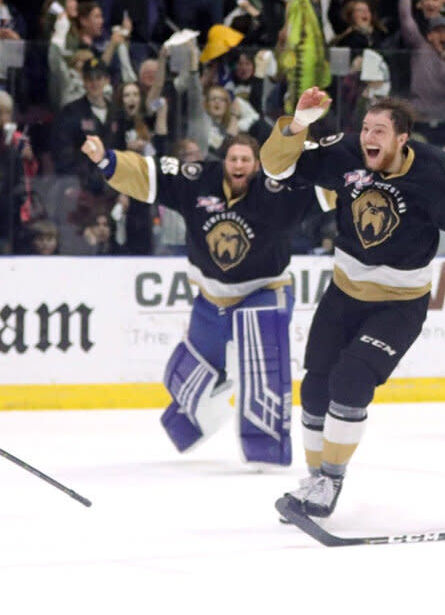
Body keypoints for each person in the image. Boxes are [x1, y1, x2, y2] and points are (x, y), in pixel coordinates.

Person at [261, 90, 445, 517]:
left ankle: (331, 481)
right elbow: (276, 167)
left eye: (380, 131)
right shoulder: (345, 153)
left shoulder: (438, 175)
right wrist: (297, 125)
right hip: (343, 294)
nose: (368, 137)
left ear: (402, 139)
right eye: (365, 129)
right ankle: (315, 478)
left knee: (351, 380)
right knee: (317, 383)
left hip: (400, 304)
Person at [81, 132, 319, 465]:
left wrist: (360, 173)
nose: (239, 165)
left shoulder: (277, 189)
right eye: (233, 159)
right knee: (186, 376)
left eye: (246, 160)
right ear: (224, 162)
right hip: (212, 298)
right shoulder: (197, 180)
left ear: (257, 164)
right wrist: (106, 159)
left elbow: (329, 187)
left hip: (264, 292)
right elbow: (150, 174)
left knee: (261, 351)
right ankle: (207, 407)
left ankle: (266, 448)